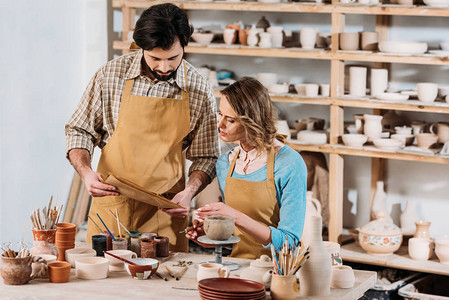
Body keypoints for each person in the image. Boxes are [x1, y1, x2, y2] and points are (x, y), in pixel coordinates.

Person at [65, 3, 219, 252]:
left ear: (184, 46)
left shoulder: (199, 90)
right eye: (155, 58)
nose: (164, 68)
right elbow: (79, 130)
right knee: (105, 283)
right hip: (112, 204)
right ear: (142, 47)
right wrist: (86, 173)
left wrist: (190, 192)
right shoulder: (110, 75)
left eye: (173, 58)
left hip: (165, 211)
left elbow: (206, 156)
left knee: (165, 284)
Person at [187, 77, 307, 259]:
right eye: (220, 114)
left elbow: (289, 242)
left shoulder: (289, 163)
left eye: (231, 120)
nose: (220, 125)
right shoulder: (225, 163)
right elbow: (237, 237)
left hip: (276, 271)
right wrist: (210, 236)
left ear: (253, 121)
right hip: (237, 267)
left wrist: (234, 216)